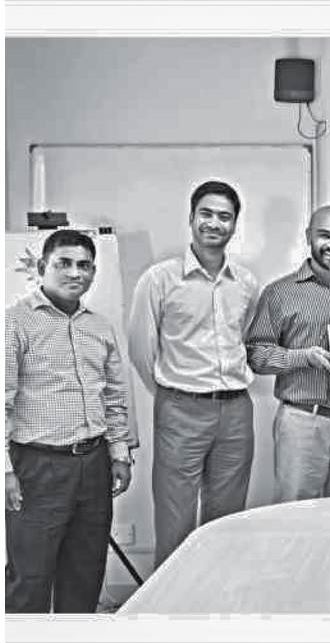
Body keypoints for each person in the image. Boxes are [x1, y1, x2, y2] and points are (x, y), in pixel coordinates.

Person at [128, 180, 260, 566]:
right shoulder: (159, 279)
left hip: (236, 412)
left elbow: (246, 339)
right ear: (191, 218)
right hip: (180, 410)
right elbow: (141, 349)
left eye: (224, 216)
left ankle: (216, 596)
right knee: (175, 520)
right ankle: (171, 601)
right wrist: (174, 393)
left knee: (227, 520)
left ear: (234, 225)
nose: (214, 223)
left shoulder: (246, 283)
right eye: (206, 214)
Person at [5, 229, 133, 613]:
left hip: (93, 465)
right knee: (30, 578)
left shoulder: (100, 327)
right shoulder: (14, 323)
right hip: (38, 467)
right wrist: (5, 471)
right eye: (64, 263)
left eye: (84, 265)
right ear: (42, 267)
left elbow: (113, 397)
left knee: (85, 574)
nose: (75, 273)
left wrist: (119, 453)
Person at [246, 204, 330, 502]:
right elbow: (256, 355)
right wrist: (302, 357)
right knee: (295, 513)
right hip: (301, 422)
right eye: (325, 235)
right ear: (309, 236)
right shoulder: (279, 292)